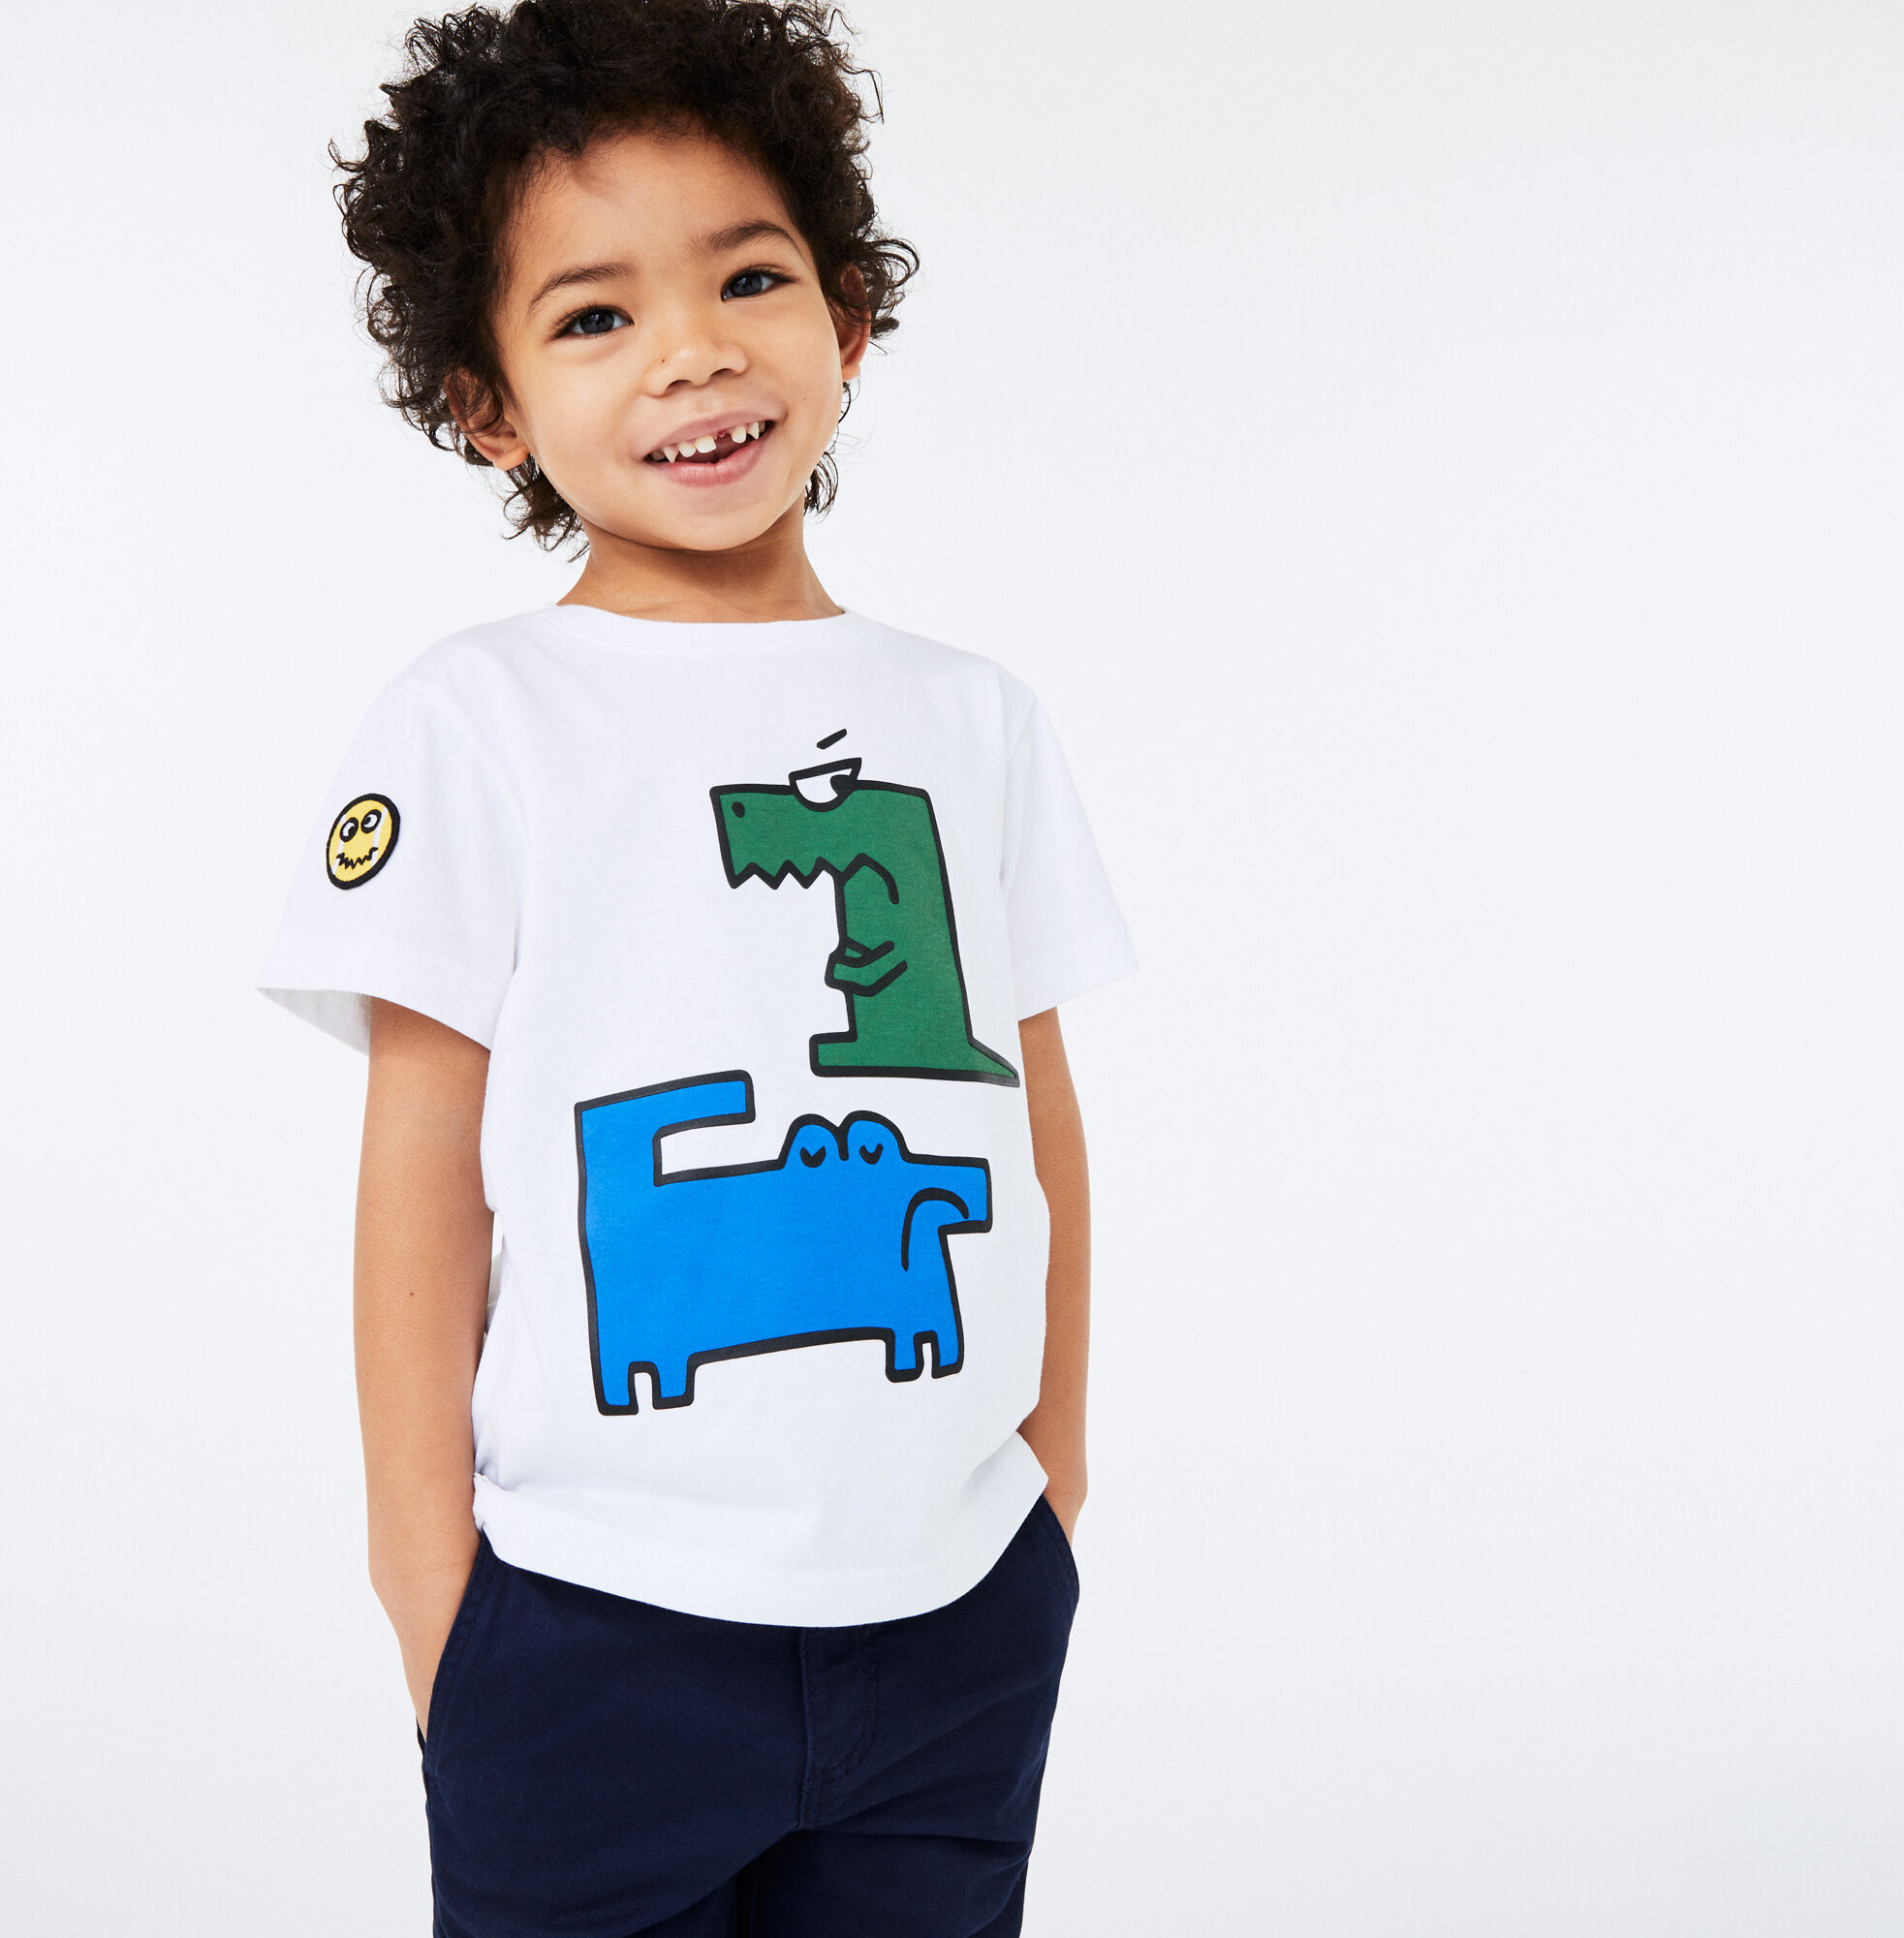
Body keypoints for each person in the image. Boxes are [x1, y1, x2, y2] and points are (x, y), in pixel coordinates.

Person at [256, 3, 1136, 1931]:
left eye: (749, 278)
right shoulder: (479, 718)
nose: (694, 352)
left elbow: (1037, 1117)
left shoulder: (974, 718)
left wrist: (1049, 1488)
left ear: (849, 317)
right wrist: (431, 1590)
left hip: (955, 1611)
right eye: (594, 315)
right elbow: (422, 1158)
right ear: (488, 404)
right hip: (589, 1621)